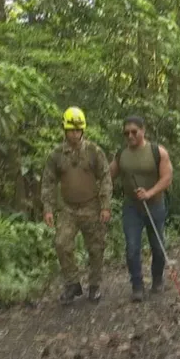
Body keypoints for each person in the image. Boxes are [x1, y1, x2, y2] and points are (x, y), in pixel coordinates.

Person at [41, 107, 112, 304]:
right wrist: (48, 208)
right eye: (72, 130)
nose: (75, 133)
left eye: (78, 130)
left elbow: (105, 176)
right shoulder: (56, 154)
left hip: (91, 206)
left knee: (96, 247)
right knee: (62, 244)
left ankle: (95, 285)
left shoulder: (94, 151)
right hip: (68, 209)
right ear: (65, 130)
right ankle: (72, 284)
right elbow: (48, 181)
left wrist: (105, 205)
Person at [109, 116, 173, 302]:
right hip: (132, 207)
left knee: (158, 247)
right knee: (132, 248)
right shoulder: (121, 155)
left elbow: (167, 178)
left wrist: (150, 192)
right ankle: (137, 286)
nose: (130, 135)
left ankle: (157, 280)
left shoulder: (157, 152)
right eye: (126, 133)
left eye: (134, 132)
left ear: (143, 131)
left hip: (155, 205)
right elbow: (109, 175)